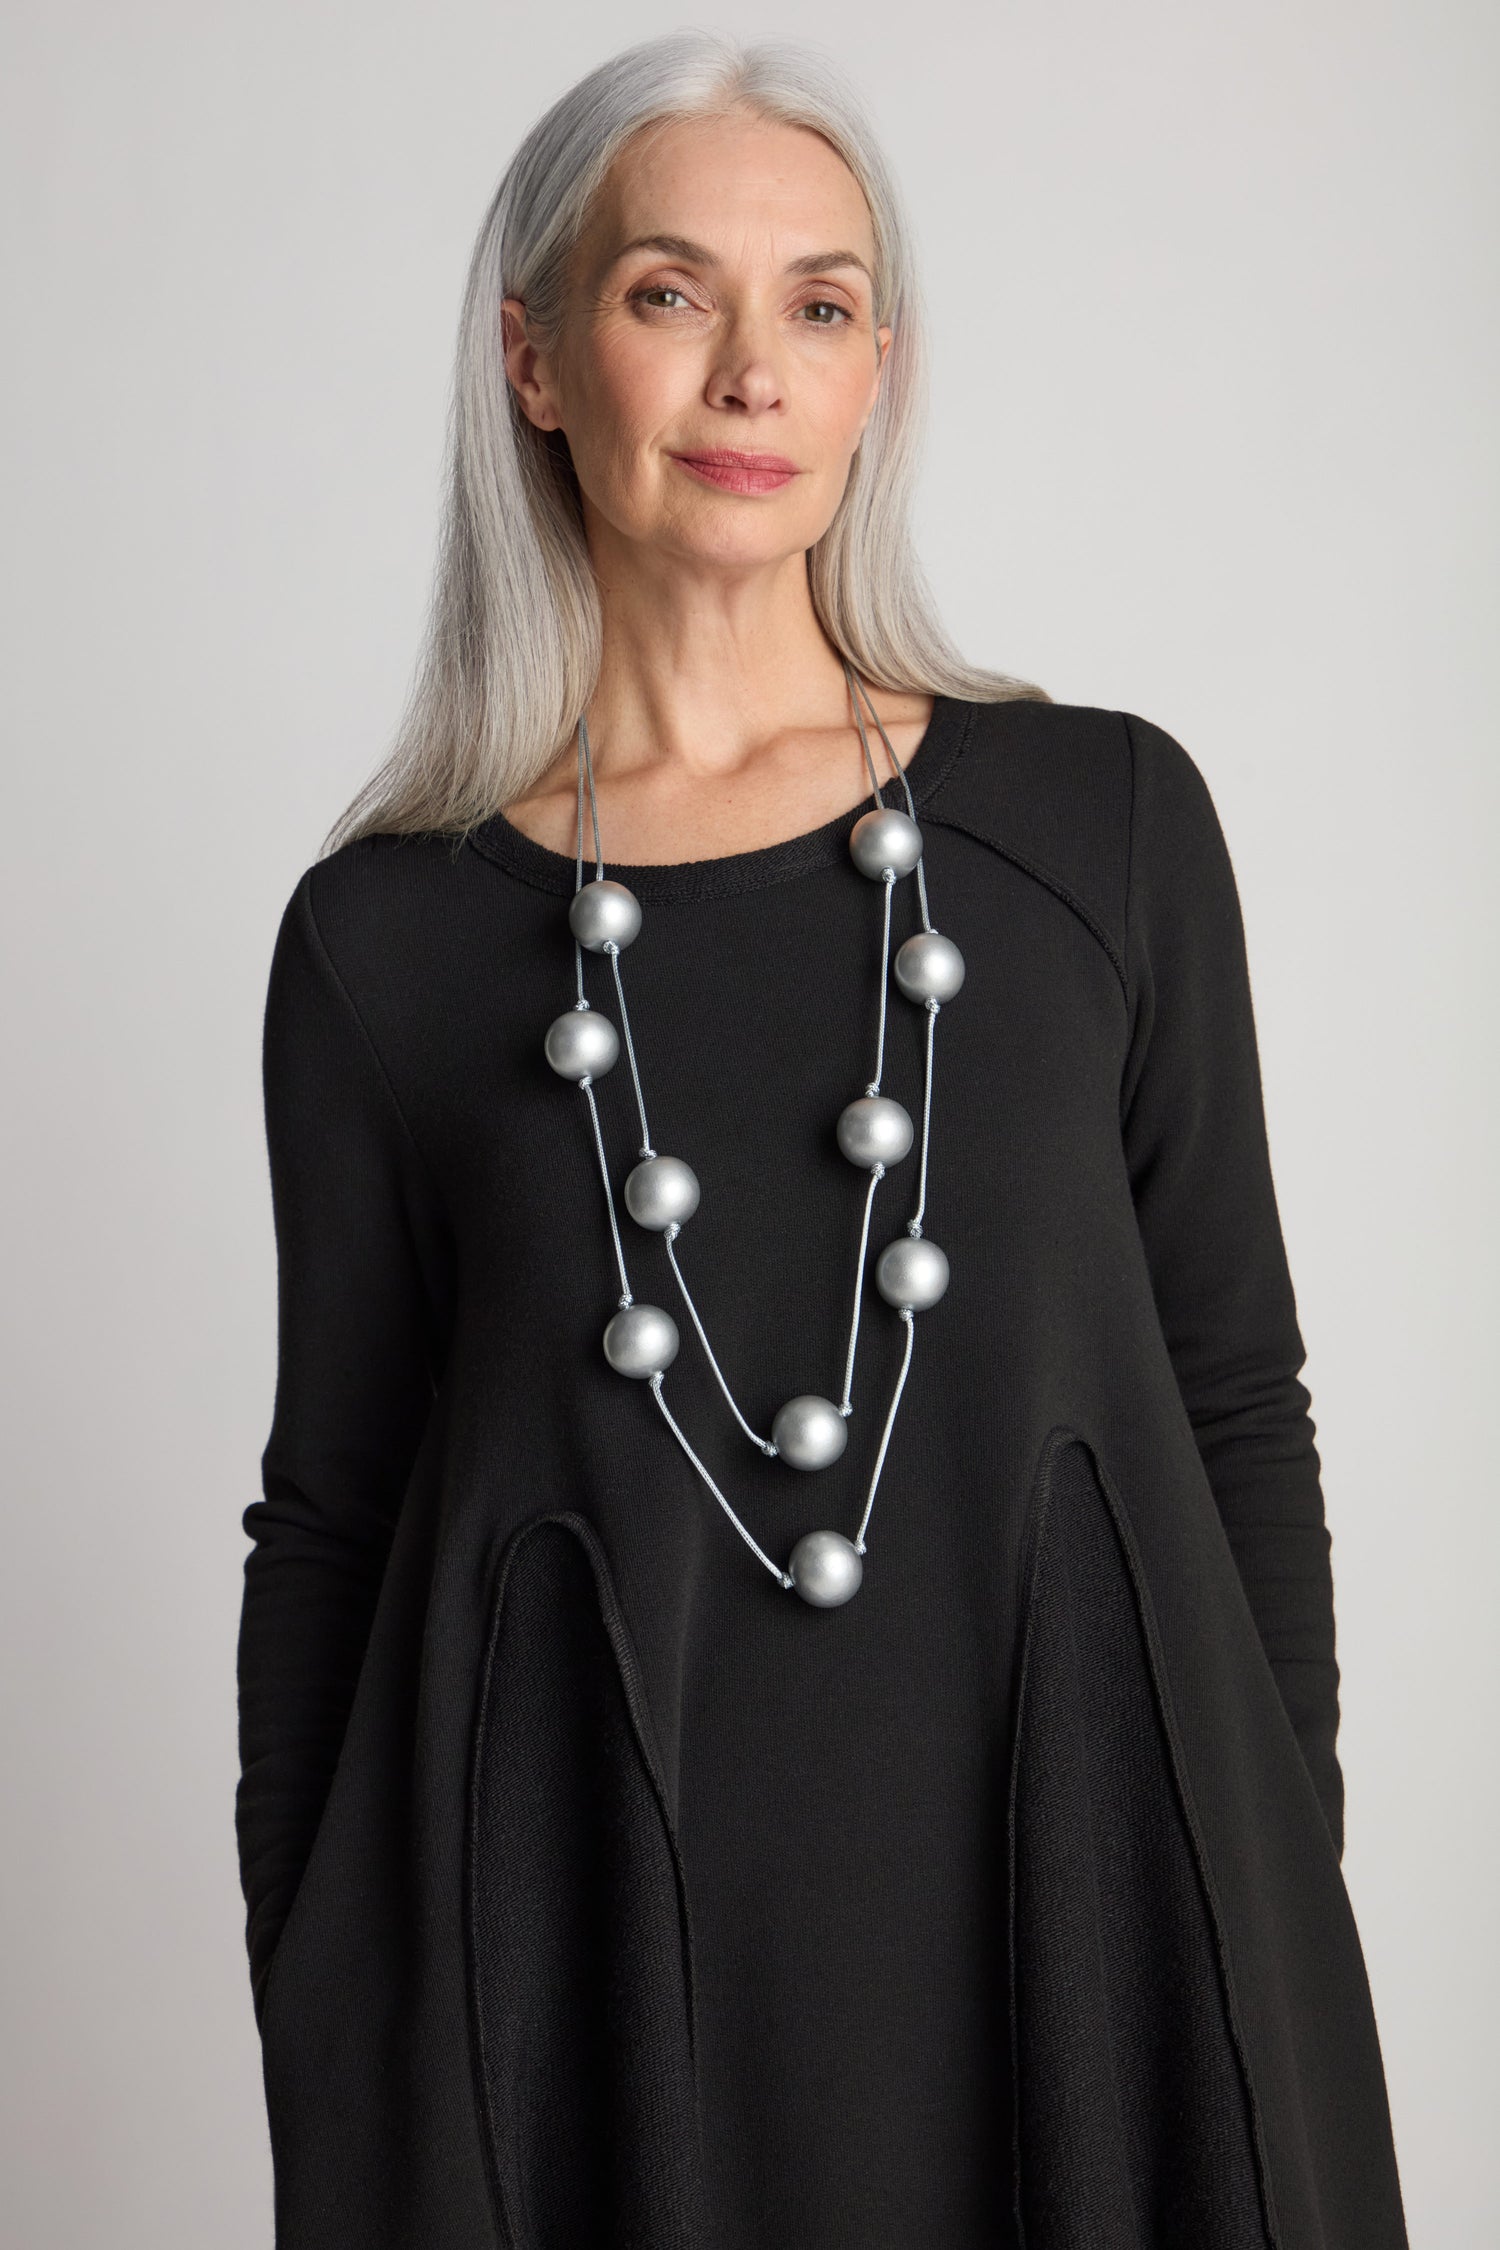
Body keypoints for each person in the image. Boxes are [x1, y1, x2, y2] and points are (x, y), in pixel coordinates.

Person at [236, 29, 1409, 2250]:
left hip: (1095, 1957)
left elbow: (1241, 1401)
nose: (754, 370)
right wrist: (326, 2018)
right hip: (583, 2006)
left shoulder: (1105, 828)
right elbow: (330, 1527)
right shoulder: (384, 945)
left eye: (825, 302)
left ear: (881, 375)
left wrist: (1263, 1884)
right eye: (672, 292)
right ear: (540, 360)